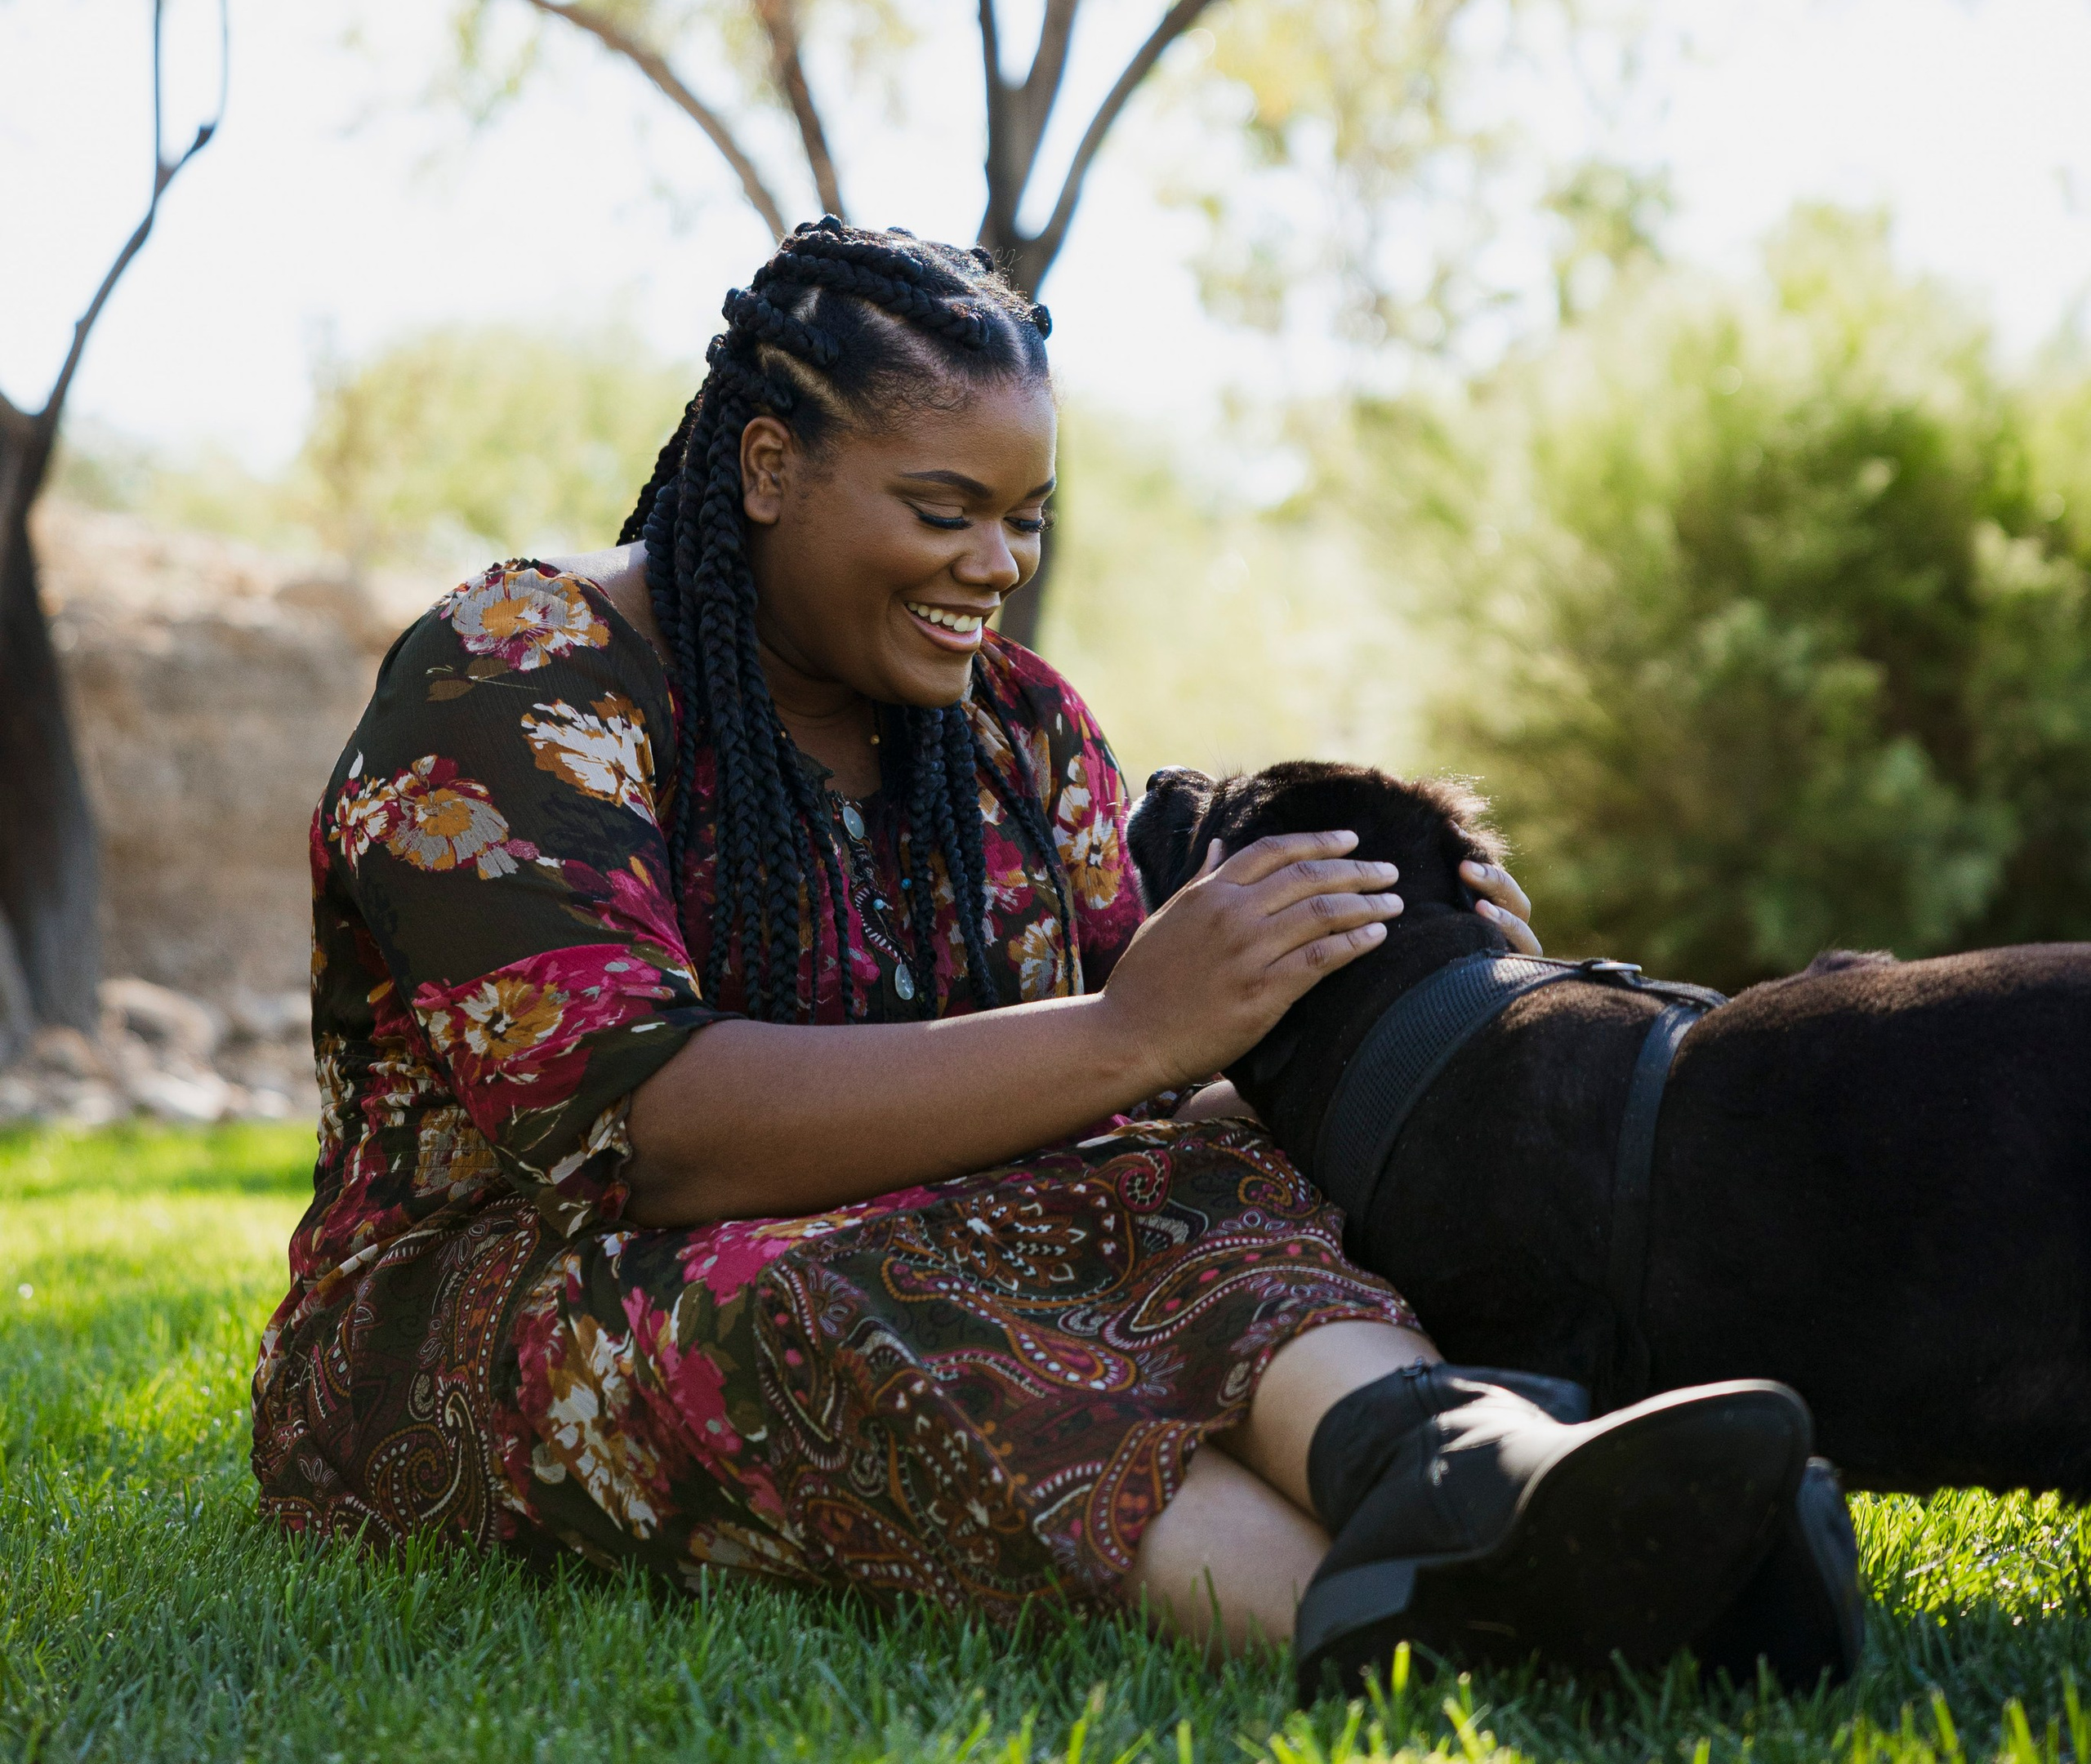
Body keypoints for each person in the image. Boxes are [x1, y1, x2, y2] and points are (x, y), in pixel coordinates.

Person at [252, 222, 1824, 1686]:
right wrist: (1134, 1034)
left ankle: (1462, 1467)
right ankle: (1431, 1628)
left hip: (908, 1227)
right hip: (492, 1302)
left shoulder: (1015, 731)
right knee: (845, 1286)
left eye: (1024, 519)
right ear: (768, 465)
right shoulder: (520, 679)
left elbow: (1130, 1111)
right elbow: (640, 1137)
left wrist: (1376, 987)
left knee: (1195, 1181)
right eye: (944, 511)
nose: (994, 564)